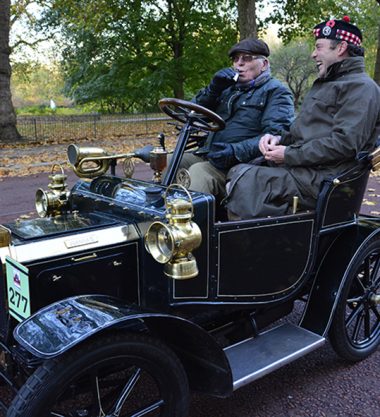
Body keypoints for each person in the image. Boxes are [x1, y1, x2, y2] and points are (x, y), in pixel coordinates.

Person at [225, 16, 380, 220]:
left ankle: (255, 246)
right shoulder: (327, 84)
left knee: (246, 180)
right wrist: (279, 140)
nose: (313, 54)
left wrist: (288, 154)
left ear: (341, 47)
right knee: (239, 170)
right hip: (307, 170)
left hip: (327, 180)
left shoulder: (362, 88)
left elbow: (344, 144)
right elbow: (303, 131)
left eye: (318, 47)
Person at [179, 38, 294, 198]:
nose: (239, 64)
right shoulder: (227, 89)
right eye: (235, 59)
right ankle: (159, 217)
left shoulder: (276, 92)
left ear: (264, 64)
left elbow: (276, 135)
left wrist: (235, 152)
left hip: (244, 164)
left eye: (247, 58)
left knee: (199, 172)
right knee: (172, 160)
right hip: (211, 153)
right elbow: (191, 114)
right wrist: (212, 90)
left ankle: (190, 222)